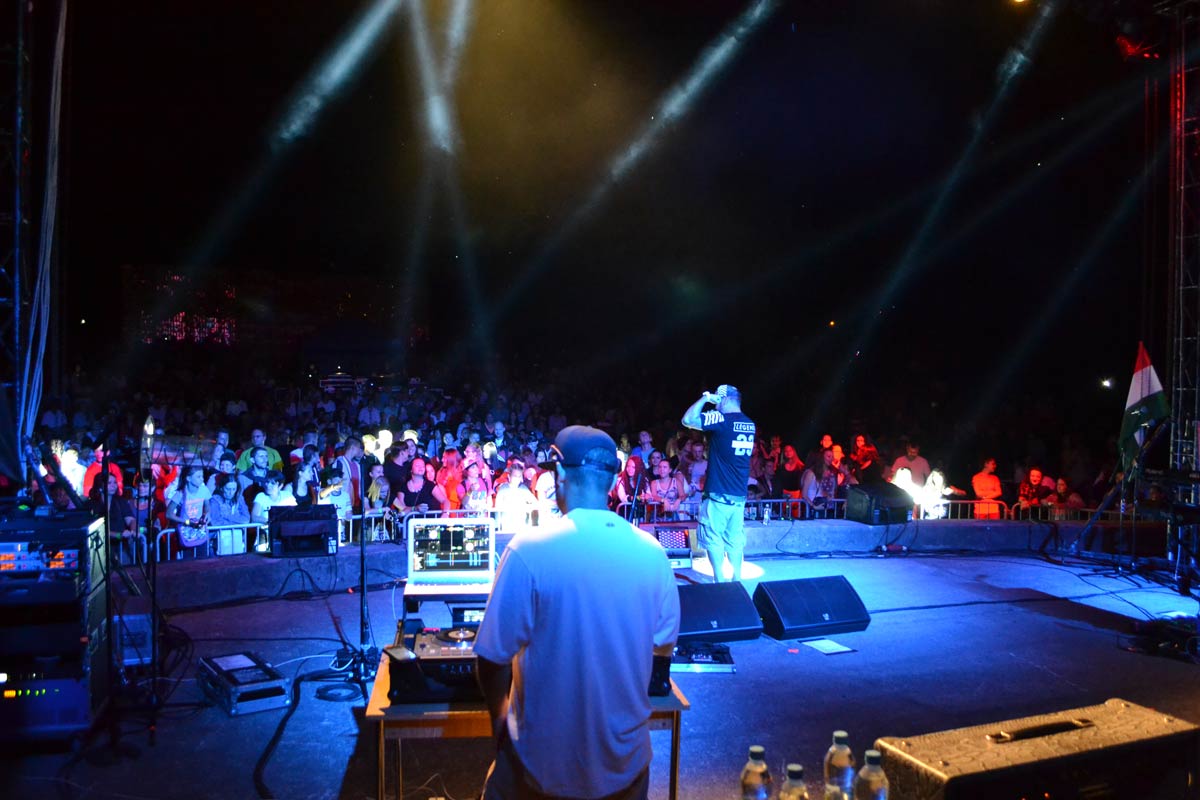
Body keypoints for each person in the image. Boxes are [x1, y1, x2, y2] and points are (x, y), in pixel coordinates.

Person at [474, 425, 680, 800]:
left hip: (539, 770)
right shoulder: (653, 553)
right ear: (611, 481)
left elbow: (491, 657)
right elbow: (661, 653)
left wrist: (500, 719)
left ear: (559, 474)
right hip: (626, 766)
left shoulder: (528, 549)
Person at [681, 385, 756, 582]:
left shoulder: (721, 419)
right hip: (738, 496)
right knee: (734, 540)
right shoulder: (749, 424)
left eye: (718, 400)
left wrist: (705, 399)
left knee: (713, 538)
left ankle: (720, 581)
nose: (716, 404)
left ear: (724, 399)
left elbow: (687, 420)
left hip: (718, 494)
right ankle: (737, 579)